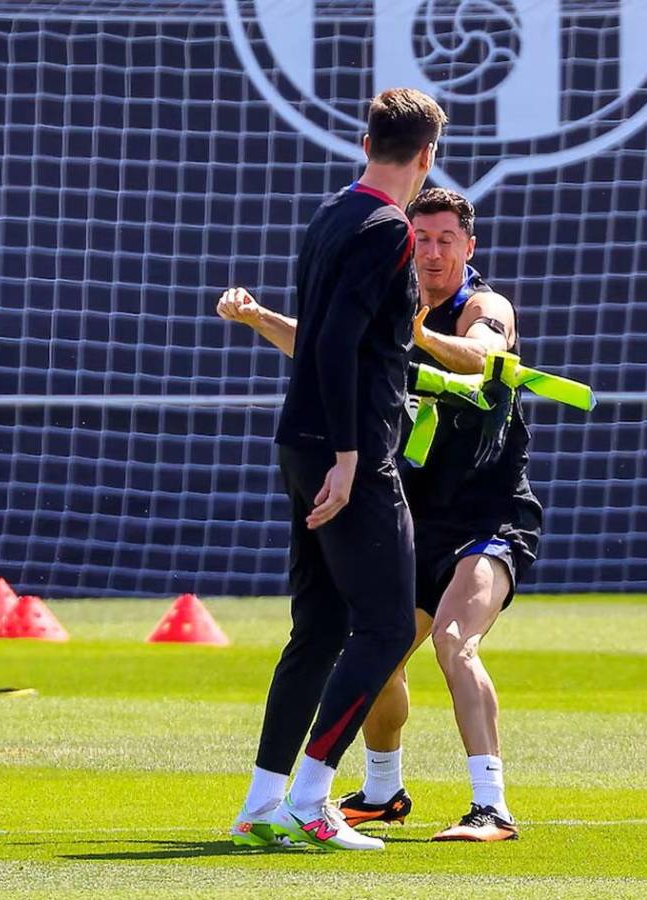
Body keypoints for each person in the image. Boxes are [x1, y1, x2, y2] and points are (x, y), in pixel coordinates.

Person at [219, 187, 540, 842]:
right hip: (418, 513)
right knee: (379, 654)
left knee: (454, 641)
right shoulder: (394, 298)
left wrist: (421, 333)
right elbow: (321, 350)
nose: (431, 251)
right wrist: (257, 318)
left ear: (469, 247)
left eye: (447, 239)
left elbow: (481, 358)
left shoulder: (482, 306)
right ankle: (383, 789)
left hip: (489, 514)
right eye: (421, 238)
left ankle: (491, 807)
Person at [226, 88, 447, 852]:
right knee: (387, 627)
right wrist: (353, 457)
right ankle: (315, 799)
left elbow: (326, 338)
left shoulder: (331, 215)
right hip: (345, 449)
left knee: (319, 628)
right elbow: (334, 346)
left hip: (302, 439)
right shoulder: (388, 228)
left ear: (365, 144)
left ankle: (262, 802)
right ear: (427, 155)